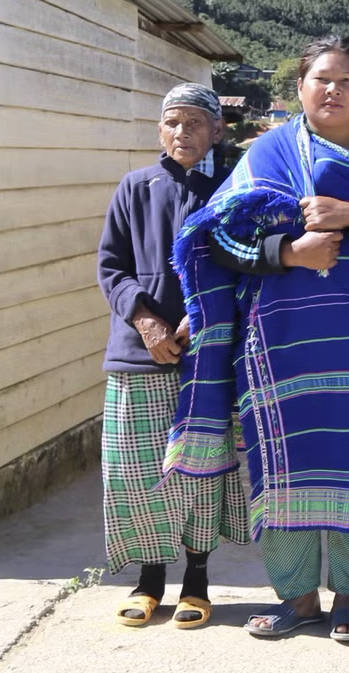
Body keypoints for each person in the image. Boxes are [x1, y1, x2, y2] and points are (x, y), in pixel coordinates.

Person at [164, 36, 349, 645]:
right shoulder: (267, 152)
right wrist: (289, 252)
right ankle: (296, 598)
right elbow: (219, 239)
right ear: (300, 88)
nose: (333, 90)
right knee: (282, 464)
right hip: (281, 344)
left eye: (346, 81)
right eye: (321, 79)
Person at [95, 83, 249, 628]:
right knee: (138, 473)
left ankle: (197, 582)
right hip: (139, 355)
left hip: (206, 357)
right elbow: (111, 266)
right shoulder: (135, 187)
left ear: (217, 130)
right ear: (160, 129)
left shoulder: (233, 189)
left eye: (195, 122)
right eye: (172, 122)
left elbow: (245, 265)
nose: (182, 132)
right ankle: (149, 580)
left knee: (199, 472)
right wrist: (145, 319)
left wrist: (203, 314)